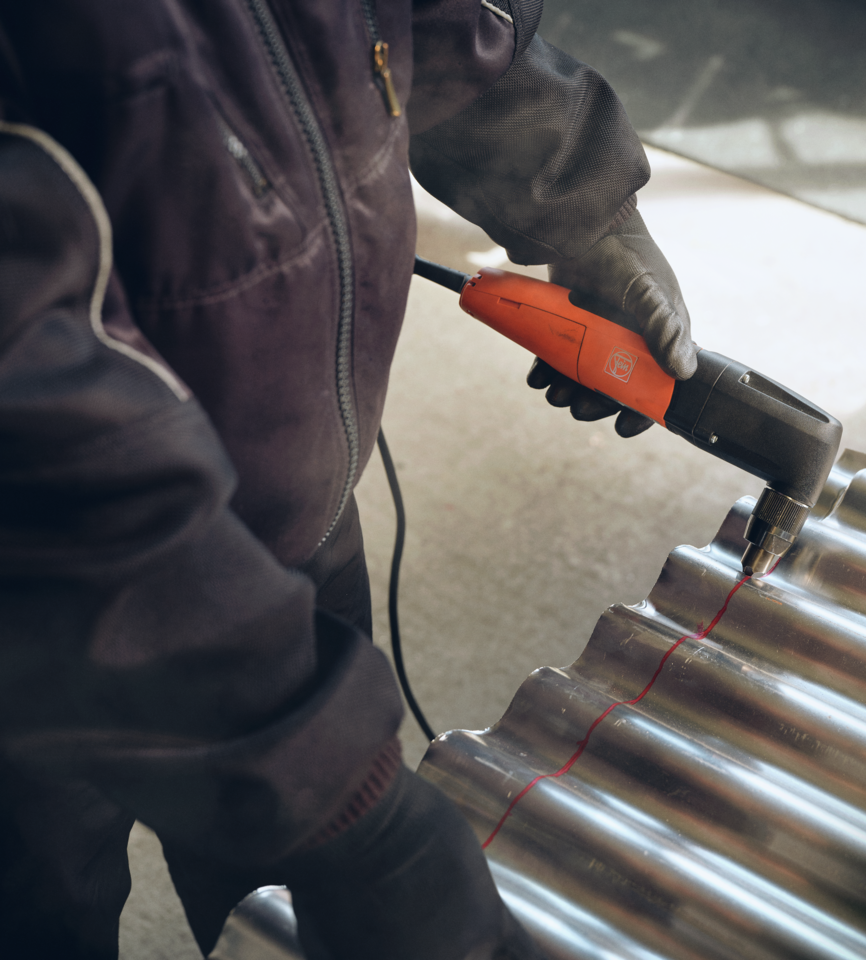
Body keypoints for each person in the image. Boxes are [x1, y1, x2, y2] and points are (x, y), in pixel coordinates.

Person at [0, 1, 696, 957]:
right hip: (52, 610)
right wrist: (349, 813)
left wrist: (582, 202)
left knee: (293, 894)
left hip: (297, 515)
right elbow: (32, 425)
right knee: (39, 902)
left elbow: (429, 16)